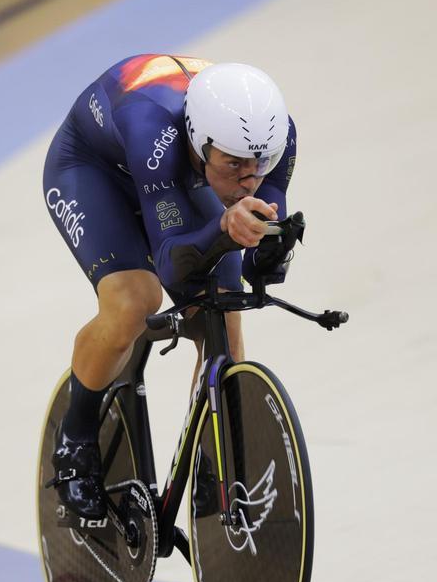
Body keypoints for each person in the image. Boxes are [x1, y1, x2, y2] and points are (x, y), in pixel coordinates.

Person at [42, 55, 298, 519]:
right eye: (235, 165)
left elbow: (265, 224)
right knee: (136, 300)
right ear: (199, 144)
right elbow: (172, 264)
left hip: (175, 176)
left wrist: (269, 249)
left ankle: (209, 463)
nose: (250, 178)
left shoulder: (274, 135)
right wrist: (223, 224)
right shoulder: (152, 130)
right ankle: (75, 442)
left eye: (261, 164)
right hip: (94, 170)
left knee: (222, 312)